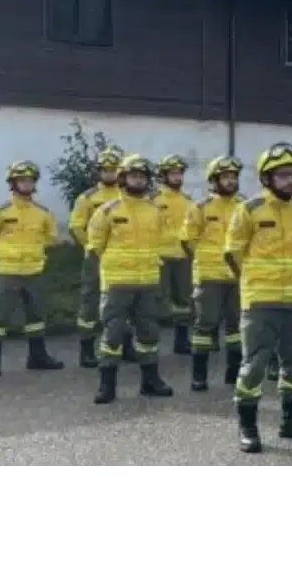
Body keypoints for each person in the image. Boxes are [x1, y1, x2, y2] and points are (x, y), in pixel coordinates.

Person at [224, 143, 292, 453]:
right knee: (254, 365)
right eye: (282, 175)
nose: (290, 181)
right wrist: (254, 284)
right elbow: (233, 252)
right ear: (267, 179)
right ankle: (248, 427)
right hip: (260, 301)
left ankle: (291, 421)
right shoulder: (249, 209)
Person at [86, 154, 174, 404]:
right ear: (123, 178)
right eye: (134, 175)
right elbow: (95, 247)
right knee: (112, 334)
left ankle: (150, 381)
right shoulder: (107, 210)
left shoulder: (155, 211)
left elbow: (165, 242)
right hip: (116, 283)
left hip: (147, 282)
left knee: (148, 333)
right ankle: (107, 385)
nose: (138, 180)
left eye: (142, 176)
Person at [0, 161, 64, 377]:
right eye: (21, 180)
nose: (26, 184)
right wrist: (4, 250)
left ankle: (37, 357)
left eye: (29, 180)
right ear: (13, 183)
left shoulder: (42, 213)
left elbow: (52, 237)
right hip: (7, 271)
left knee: (35, 317)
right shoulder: (0, 211)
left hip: (33, 270)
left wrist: (36, 249)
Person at [181, 155, 245, 392]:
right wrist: (205, 261)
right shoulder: (200, 207)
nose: (230, 181)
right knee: (204, 326)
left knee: (236, 327)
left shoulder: (243, 206)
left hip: (237, 276)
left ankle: (233, 373)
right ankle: (199, 376)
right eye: (225, 177)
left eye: (233, 177)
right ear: (214, 180)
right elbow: (188, 240)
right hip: (209, 276)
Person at [69, 145, 125, 369]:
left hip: (122, 258)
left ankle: (124, 345)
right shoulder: (88, 197)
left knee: (122, 302)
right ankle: (87, 350)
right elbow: (76, 227)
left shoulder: (127, 196)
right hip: (96, 256)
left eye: (113, 170)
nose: (109, 174)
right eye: (105, 170)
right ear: (98, 172)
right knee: (90, 300)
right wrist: (93, 248)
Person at [152, 155, 194, 356]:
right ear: (163, 176)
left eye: (179, 173)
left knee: (183, 301)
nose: (177, 177)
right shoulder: (153, 199)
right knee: (153, 300)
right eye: (172, 173)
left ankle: (181, 340)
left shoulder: (188, 201)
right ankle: (147, 341)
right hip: (159, 255)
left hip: (183, 256)